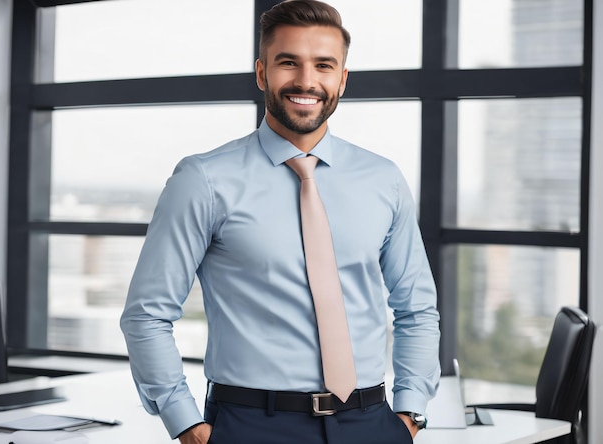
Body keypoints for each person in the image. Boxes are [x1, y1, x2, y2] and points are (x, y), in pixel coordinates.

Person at [120, 1, 441, 443]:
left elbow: (417, 306)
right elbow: (146, 314)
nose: (306, 81)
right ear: (261, 73)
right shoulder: (205, 179)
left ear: (342, 80)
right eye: (288, 62)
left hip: (371, 423)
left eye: (323, 65)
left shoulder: (383, 179)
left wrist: (410, 413)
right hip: (252, 424)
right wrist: (188, 425)